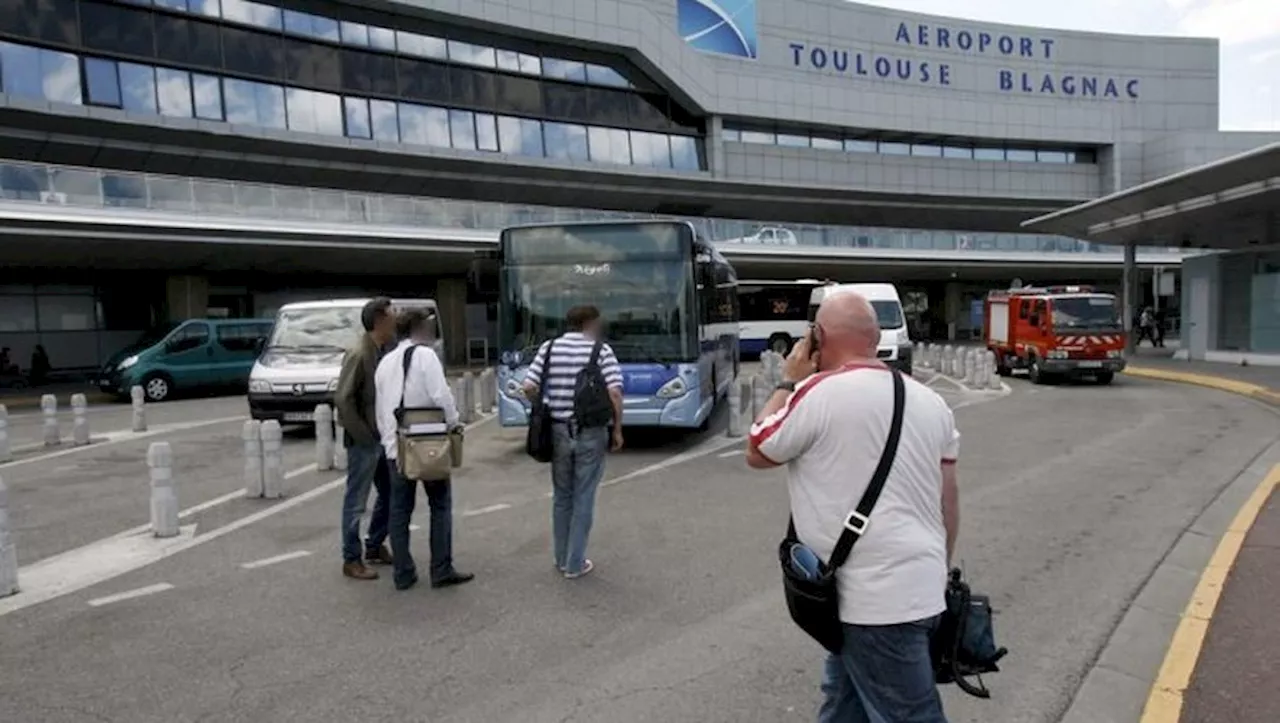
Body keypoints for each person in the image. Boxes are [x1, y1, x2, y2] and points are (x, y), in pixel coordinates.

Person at [746, 291, 961, 723]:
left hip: (874, 605)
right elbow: (948, 501)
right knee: (844, 705)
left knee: (908, 715)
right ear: (875, 337)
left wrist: (788, 379)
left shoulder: (819, 391)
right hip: (913, 589)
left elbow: (759, 447)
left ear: (818, 338)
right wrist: (932, 572)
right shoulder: (930, 401)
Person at [374, 307, 474, 591]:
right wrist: (454, 423)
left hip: (397, 445)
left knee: (399, 511)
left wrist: (389, 441)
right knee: (440, 505)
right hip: (428, 441)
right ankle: (441, 569)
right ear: (420, 329)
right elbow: (440, 395)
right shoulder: (425, 356)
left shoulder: (386, 362)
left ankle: (403, 573)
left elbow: (382, 410)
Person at [521, 305, 624, 579]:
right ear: (591, 323)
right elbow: (614, 393)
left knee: (562, 496)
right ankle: (575, 563)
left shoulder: (549, 348)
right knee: (584, 496)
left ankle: (561, 557)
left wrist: (543, 407)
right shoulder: (601, 350)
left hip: (556, 431)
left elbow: (529, 387)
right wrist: (617, 431)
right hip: (590, 431)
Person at [334, 298, 395, 581]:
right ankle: (351, 558)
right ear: (380, 321)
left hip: (382, 437)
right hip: (365, 441)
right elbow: (343, 400)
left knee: (391, 490)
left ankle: (374, 545)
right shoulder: (359, 353)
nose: (396, 319)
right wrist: (365, 436)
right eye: (392, 314)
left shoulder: (384, 350)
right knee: (356, 500)